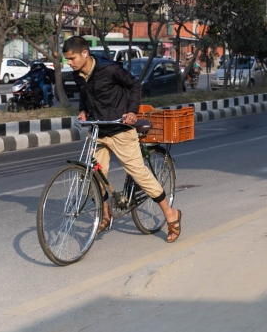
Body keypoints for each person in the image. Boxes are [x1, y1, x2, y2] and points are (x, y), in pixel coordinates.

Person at [63, 36, 182, 241]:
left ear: (85, 53)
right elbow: (84, 95)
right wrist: (83, 110)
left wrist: (132, 111)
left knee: (139, 173)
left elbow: (134, 85)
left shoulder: (109, 70)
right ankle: (105, 215)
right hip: (99, 130)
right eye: (67, 59)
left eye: (72, 58)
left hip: (120, 129)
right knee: (93, 175)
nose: (70, 63)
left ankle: (171, 214)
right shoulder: (77, 74)